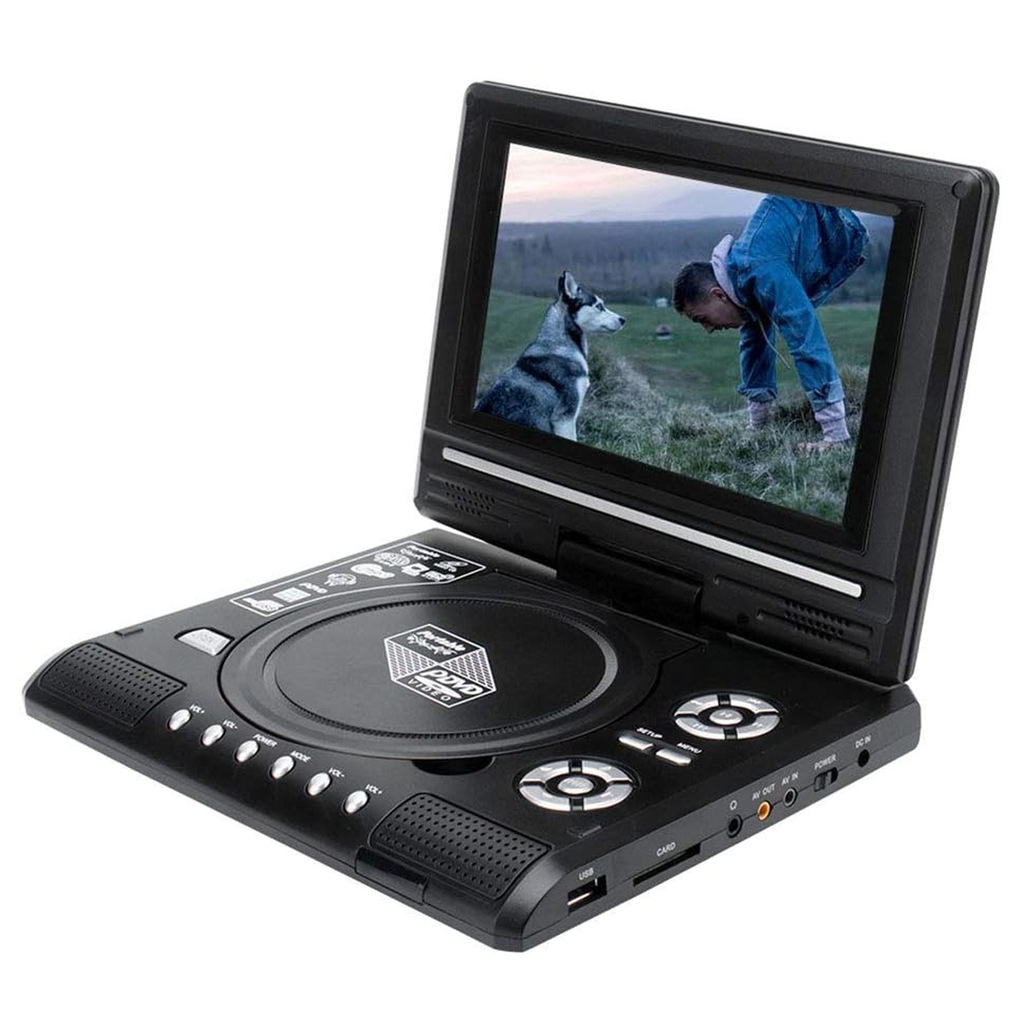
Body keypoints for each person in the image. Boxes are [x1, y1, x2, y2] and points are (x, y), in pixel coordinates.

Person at [672, 196, 868, 449]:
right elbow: (754, 347)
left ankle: (838, 435)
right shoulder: (741, 281)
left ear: (718, 295)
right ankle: (762, 421)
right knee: (754, 328)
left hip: (830, 215)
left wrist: (835, 434)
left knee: (799, 331)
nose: (708, 329)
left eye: (702, 319)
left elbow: (806, 338)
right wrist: (758, 426)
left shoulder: (761, 270)